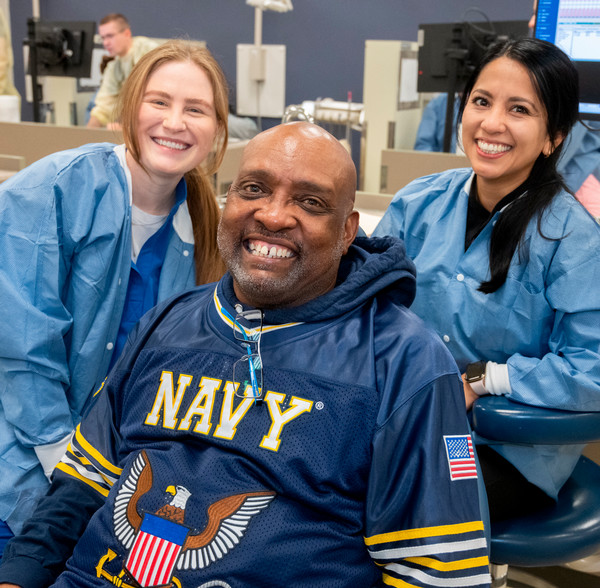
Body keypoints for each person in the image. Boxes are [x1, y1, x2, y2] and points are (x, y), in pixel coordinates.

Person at [0, 122, 491, 588]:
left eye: (311, 201)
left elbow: (437, 572)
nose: (274, 215)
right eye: (253, 189)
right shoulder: (167, 323)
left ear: (347, 232)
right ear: (227, 200)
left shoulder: (405, 362)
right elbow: (82, 486)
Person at [0, 40, 229, 557]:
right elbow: (22, 351)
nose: (175, 122)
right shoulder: (55, 190)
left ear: (217, 130)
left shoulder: (208, 229)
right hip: (22, 471)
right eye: (159, 101)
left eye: (196, 110)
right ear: (130, 107)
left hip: (130, 490)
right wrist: (72, 476)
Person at [374, 37, 600, 523]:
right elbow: (365, 304)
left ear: (553, 136)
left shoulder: (575, 240)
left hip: (502, 445)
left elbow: (593, 368)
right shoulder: (419, 203)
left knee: (408, 500)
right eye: (481, 101)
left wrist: (486, 379)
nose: (491, 123)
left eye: (519, 109)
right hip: (405, 421)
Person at [87, 13, 158, 128]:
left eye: (110, 36)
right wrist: (86, 136)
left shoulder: (147, 50)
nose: (106, 43)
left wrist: (125, 125)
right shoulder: (114, 67)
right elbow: (103, 107)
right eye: (103, 38)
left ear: (127, 33)